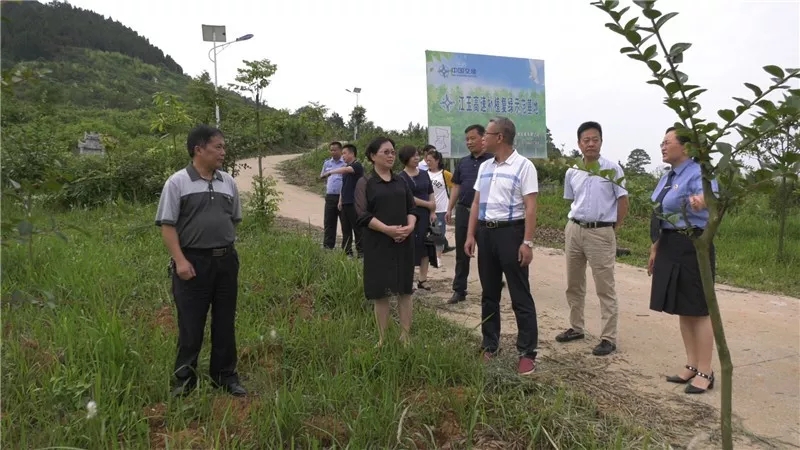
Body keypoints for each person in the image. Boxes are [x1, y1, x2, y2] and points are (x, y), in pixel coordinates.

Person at [154, 125, 246, 397]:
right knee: (191, 324)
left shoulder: (227, 182)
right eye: (218, 147)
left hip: (226, 262)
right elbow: (167, 226)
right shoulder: (177, 182)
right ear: (198, 149)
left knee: (225, 321)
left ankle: (225, 376)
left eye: (223, 147)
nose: (223, 152)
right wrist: (180, 261)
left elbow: (234, 219)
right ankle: (185, 381)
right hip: (192, 263)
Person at [465, 116, 540, 375]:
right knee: (489, 293)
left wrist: (527, 242)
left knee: (520, 294)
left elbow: (531, 207)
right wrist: (470, 235)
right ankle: (490, 345)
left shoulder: (524, 166)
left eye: (486, 134)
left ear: (500, 137)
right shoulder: (485, 167)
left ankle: (527, 352)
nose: (482, 138)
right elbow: (476, 203)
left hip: (511, 233)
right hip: (486, 234)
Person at [650, 126, 719, 394]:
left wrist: (702, 201)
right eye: (662, 141)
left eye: (668, 142)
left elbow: (711, 196)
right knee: (682, 306)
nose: (663, 146)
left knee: (699, 308)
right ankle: (691, 363)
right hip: (670, 243)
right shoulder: (667, 177)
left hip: (693, 244)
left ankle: (706, 370)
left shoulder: (699, 172)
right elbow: (659, 213)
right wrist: (656, 246)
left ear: (686, 147)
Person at [555, 121, 629, 356]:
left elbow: (623, 202)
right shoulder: (572, 171)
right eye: (585, 140)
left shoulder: (613, 169)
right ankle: (576, 327)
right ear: (579, 143)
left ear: (601, 141)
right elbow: (571, 200)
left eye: (594, 139)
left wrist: (611, 229)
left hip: (601, 231)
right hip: (574, 229)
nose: (590, 144)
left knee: (604, 286)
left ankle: (608, 337)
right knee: (573, 283)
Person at [354, 137, 417, 346]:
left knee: (405, 290)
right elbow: (362, 215)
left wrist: (410, 226)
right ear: (373, 156)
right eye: (386, 152)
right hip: (378, 244)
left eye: (392, 152)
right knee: (380, 292)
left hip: (403, 242)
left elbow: (412, 208)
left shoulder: (401, 181)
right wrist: (387, 230)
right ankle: (382, 338)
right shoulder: (365, 183)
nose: (391, 156)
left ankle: (405, 336)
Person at [445, 124, 494, 304]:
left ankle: (489, 289)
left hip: (486, 214)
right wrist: (450, 208)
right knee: (461, 253)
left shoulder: (492, 161)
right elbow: (456, 186)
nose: (469, 142)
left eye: (472, 138)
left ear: (483, 138)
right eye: (467, 139)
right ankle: (459, 290)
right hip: (464, 211)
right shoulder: (463, 162)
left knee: (487, 254)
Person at [398, 145, 437, 290]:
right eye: (413, 156)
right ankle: (408, 278)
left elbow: (430, 191)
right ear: (405, 159)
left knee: (426, 246)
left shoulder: (424, 174)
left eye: (417, 155)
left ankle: (423, 279)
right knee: (410, 246)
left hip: (426, 215)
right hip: (410, 215)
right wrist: (428, 204)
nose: (417, 158)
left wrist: (432, 210)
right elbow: (409, 198)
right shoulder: (401, 177)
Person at [324, 144, 364, 257]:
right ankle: (347, 252)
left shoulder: (356, 166)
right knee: (346, 229)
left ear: (352, 154)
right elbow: (344, 186)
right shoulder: (347, 168)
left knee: (357, 228)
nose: (343, 156)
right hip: (345, 203)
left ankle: (361, 252)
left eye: (344, 153)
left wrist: (330, 172)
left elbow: (346, 169)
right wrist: (340, 200)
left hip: (354, 203)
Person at [425, 149, 453, 267]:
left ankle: (438, 257)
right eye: (426, 160)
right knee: (427, 234)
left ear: (437, 160)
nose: (428, 162)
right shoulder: (424, 174)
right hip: (427, 208)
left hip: (441, 208)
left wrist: (450, 207)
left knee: (439, 234)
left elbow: (455, 187)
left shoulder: (445, 174)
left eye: (430, 160)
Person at [319, 141, 347, 250]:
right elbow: (322, 176)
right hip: (330, 196)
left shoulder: (345, 163)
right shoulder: (327, 163)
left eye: (335, 150)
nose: (333, 152)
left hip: (342, 197)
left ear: (340, 150)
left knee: (345, 222)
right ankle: (328, 246)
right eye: (331, 150)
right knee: (329, 221)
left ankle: (346, 247)